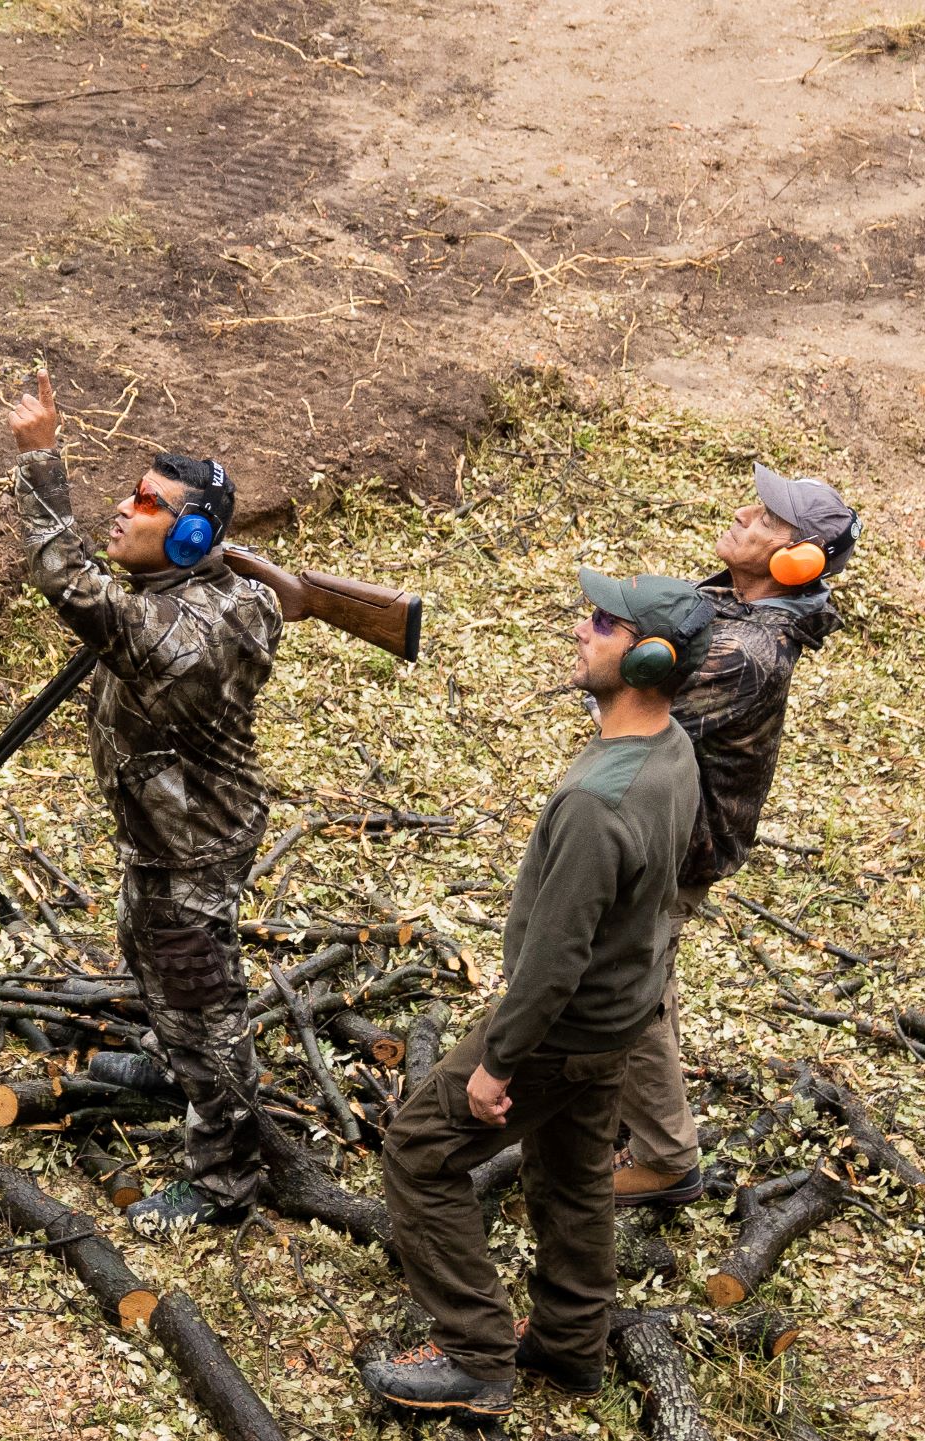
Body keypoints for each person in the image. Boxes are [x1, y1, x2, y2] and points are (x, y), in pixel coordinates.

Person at [362, 572, 712, 1421]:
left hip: (561, 1028)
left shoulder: (599, 801)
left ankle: (476, 1356)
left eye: (603, 623)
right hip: (619, 1020)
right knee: (575, 1174)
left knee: (416, 1150)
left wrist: (498, 1062)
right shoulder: (674, 748)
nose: (581, 631)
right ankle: (569, 1342)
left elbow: (554, 962)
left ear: (651, 656)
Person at [4, 370, 283, 1235]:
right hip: (175, 834)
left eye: (146, 502)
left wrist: (41, 458)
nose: (122, 510)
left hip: (189, 850)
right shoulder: (227, 595)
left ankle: (226, 1178)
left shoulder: (181, 632)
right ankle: (173, 1061)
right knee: (151, 951)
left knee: (208, 1006)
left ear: (194, 534)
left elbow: (67, 579)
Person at [607, 463, 858, 1208]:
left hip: (672, 842)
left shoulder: (748, 653)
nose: (745, 514)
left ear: (798, 560)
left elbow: (631, 707)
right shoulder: (728, 597)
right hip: (658, 821)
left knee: (630, 989)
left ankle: (664, 1157)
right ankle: (633, 1120)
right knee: (643, 975)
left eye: (767, 520)